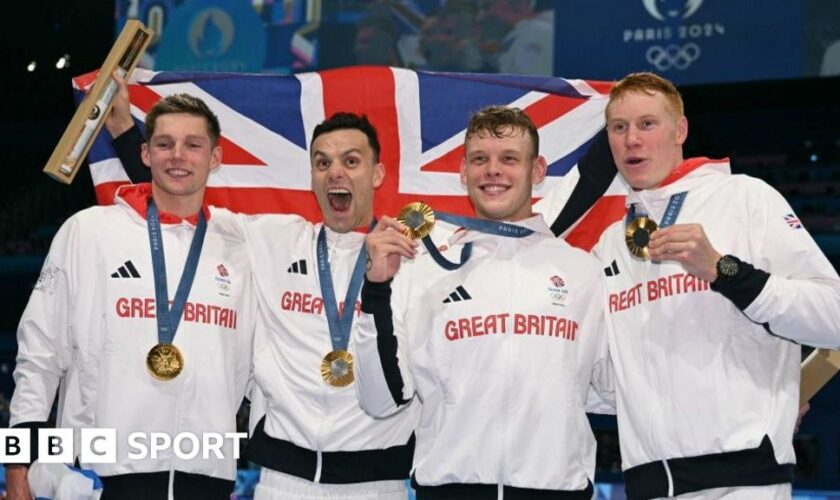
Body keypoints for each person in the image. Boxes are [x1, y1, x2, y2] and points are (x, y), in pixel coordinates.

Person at [104, 77, 618, 499]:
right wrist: (126, 129)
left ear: (377, 173)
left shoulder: (423, 249)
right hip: (283, 483)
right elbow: (180, 190)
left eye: (351, 161)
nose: (335, 173)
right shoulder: (269, 241)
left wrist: (620, 132)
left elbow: (534, 213)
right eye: (323, 162)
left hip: (382, 484)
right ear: (311, 175)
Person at [594, 72, 840, 499]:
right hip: (648, 483)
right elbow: (612, 380)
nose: (632, 139)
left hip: (742, 479)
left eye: (647, 124)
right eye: (619, 127)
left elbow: (833, 315)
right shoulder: (610, 243)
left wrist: (722, 270)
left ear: (680, 130)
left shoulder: (744, 198)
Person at [355, 105, 614, 498]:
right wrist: (374, 288)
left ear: (538, 170)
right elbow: (380, 400)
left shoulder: (583, 272)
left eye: (509, 159)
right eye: (480, 159)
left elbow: (613, 390)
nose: (493, 171)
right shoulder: (422, 268)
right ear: (463, 172)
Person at [7, 93, 256, 499]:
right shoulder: (87, 231)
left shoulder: (242, 245)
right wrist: (16, 463)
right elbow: (37, 354)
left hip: (207, 476)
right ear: (145, 152)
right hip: (97, 479)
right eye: (164, 144)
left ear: (215, 158)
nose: (178, 156)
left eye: (193, 145)